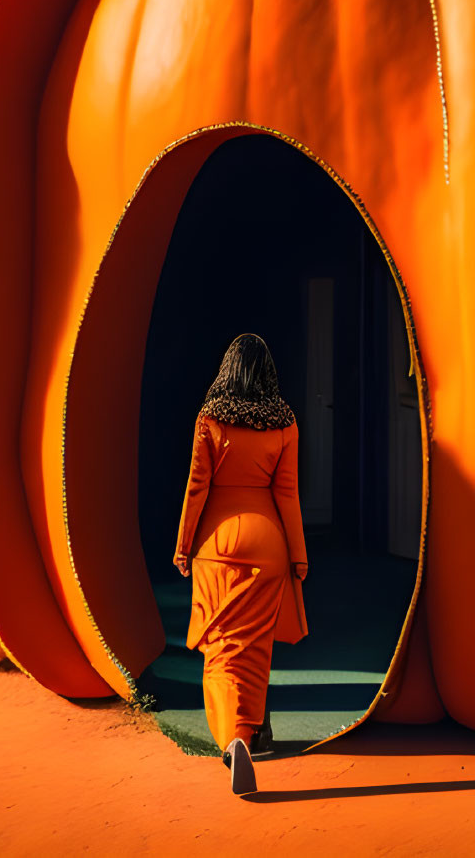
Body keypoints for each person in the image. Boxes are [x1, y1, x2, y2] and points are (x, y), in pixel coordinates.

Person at [173, 333, 309, 795]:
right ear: (268, 373)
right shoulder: (285, 423)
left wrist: (183, 545)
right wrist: (298, 554)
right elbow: (287, 494)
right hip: (268, 541)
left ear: (227, 369)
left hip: (217, 541)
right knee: (254, 647)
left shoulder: (210, 420)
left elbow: (196, 488)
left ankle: (233, 740)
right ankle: (251, 732)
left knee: (221, 645)